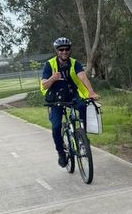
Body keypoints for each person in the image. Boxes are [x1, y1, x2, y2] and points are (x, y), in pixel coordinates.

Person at [40, 37, 99, 167]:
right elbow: (44, 85)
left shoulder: (74, 63)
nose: (64, 52)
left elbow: (82, 76)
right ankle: (61, 152)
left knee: (83, 106)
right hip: (55, 99)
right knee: (56, 127)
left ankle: (82, 136)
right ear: (57, 51)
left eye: (67, 49)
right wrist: (53, 78)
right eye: (61, 49)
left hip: (72, 95)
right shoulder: (50, 65)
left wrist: (91, 92)